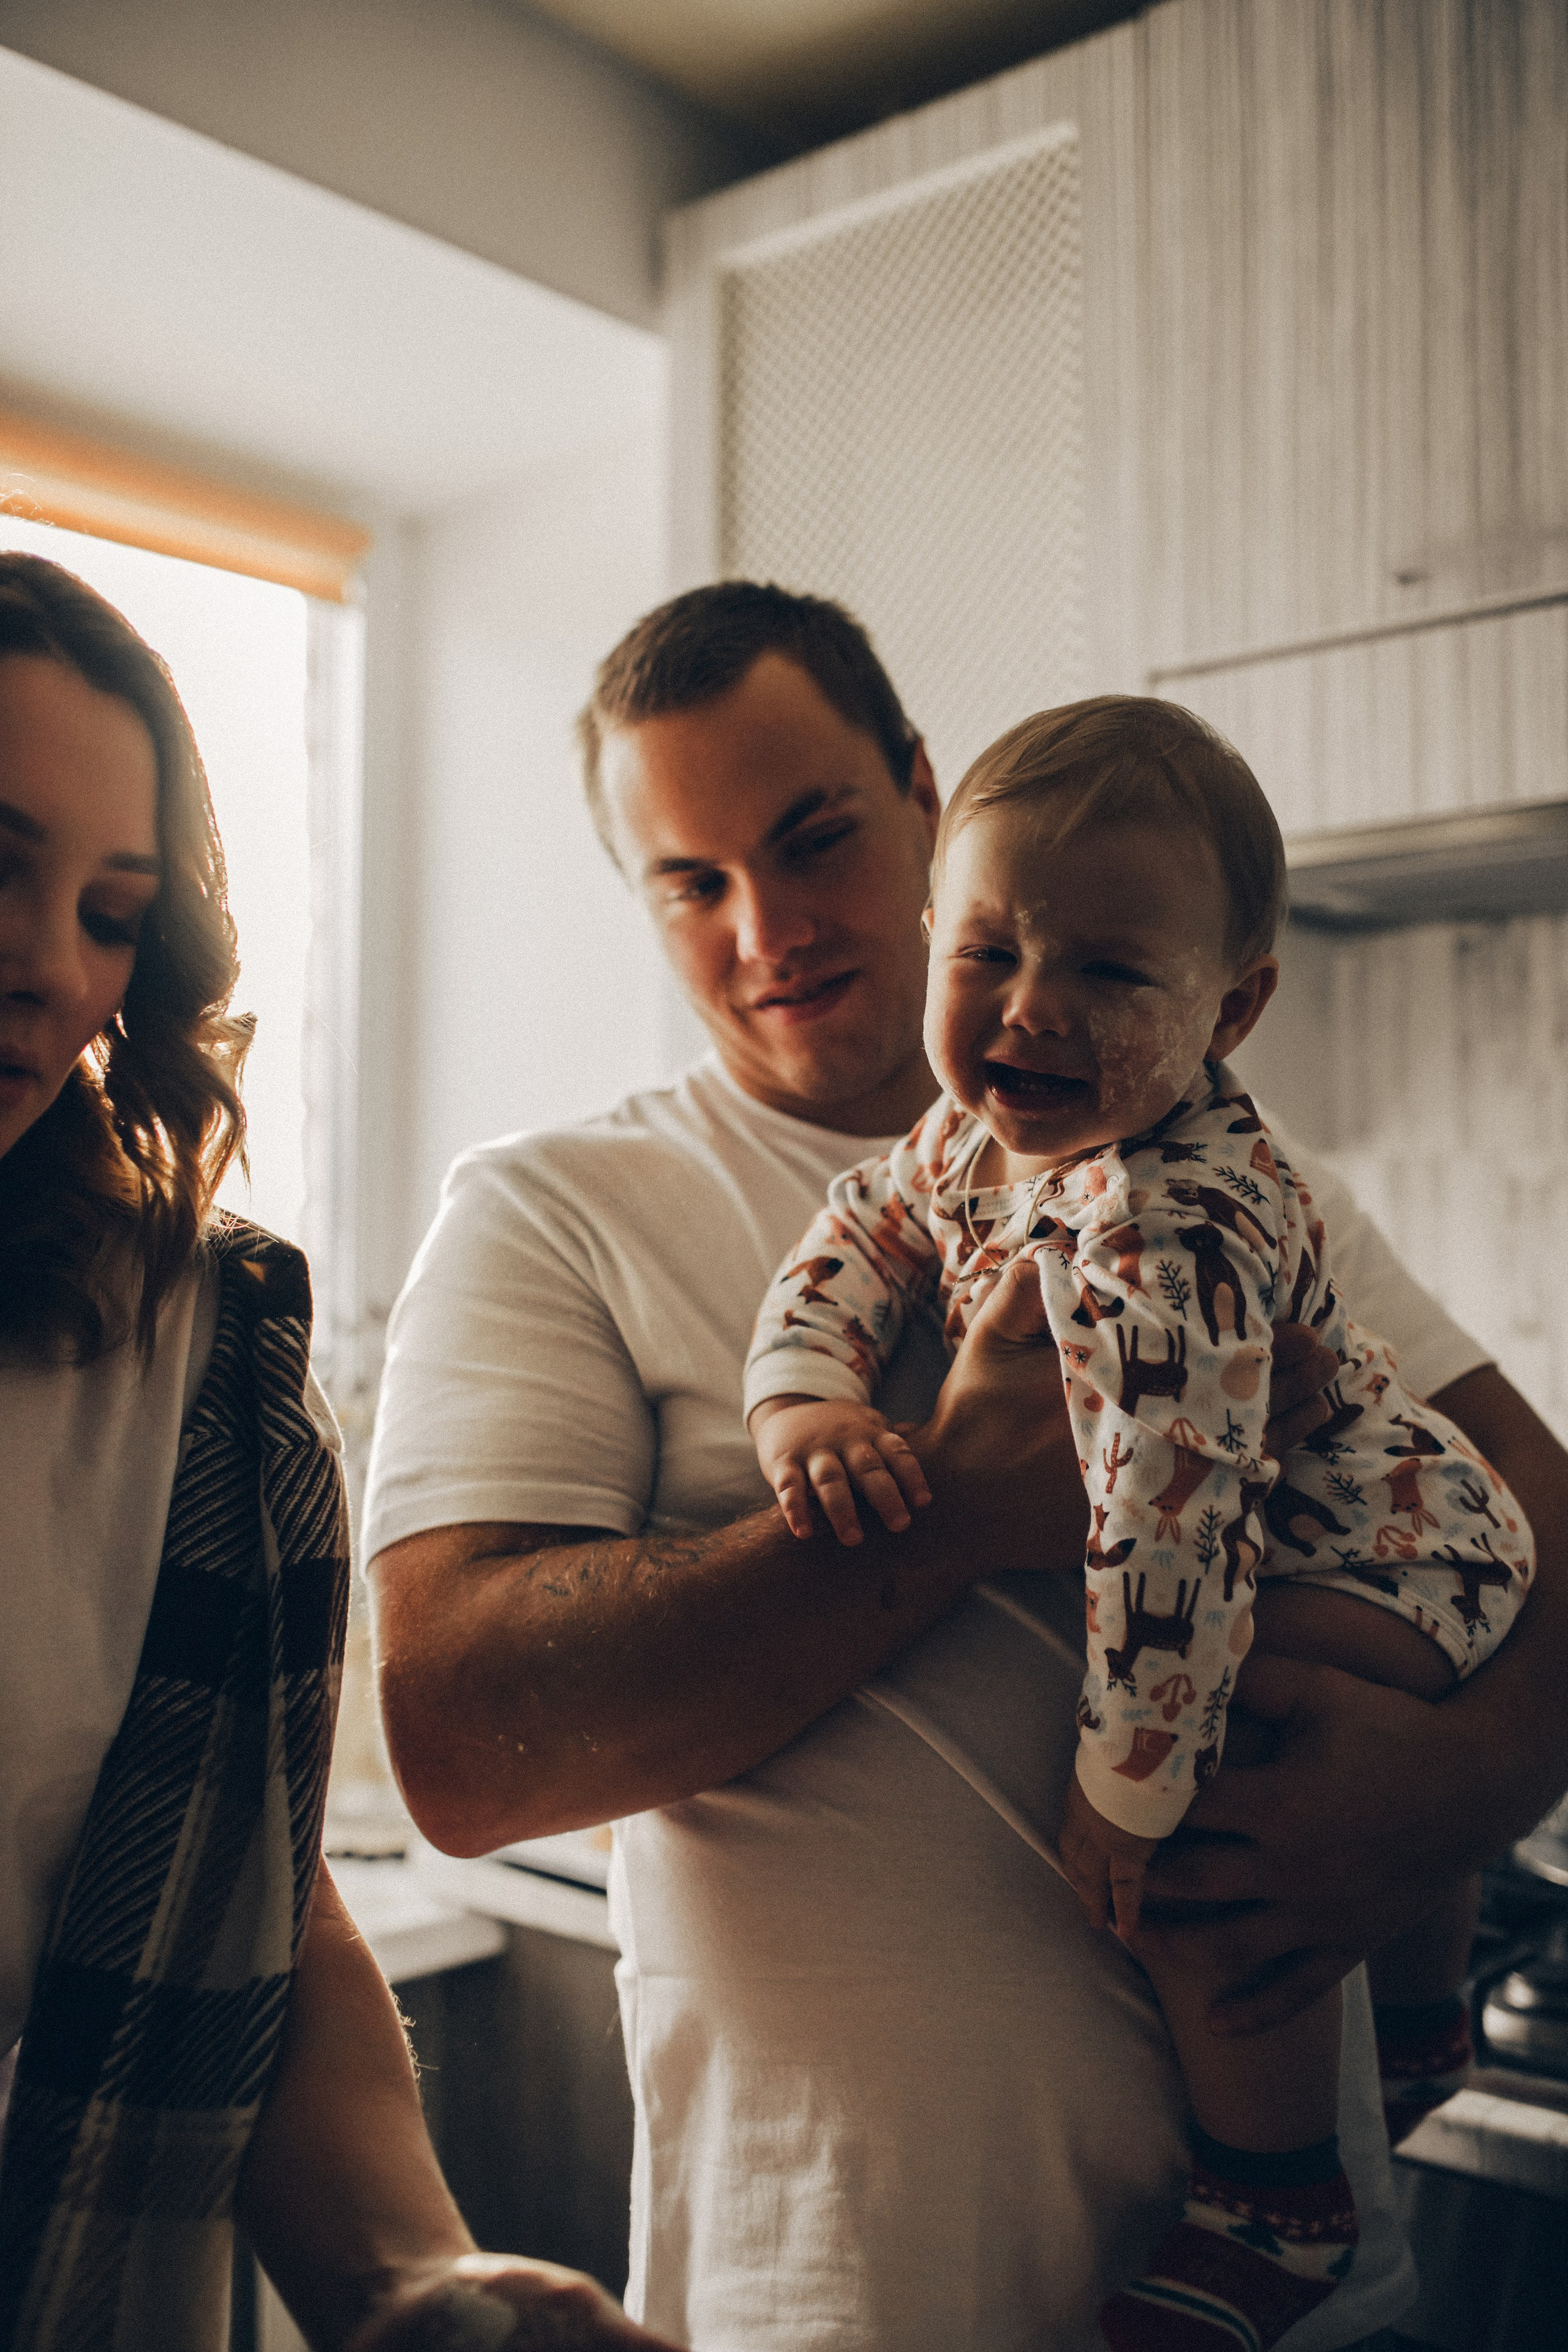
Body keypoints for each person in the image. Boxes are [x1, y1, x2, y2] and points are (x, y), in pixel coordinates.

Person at [366, 582, 1568, 2351]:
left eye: (812, 836)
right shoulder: (557, 1211)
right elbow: (458, 1745)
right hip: (837, 2294)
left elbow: (1541, 1533)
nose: (765, 925)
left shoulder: (1216, 1172)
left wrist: (1462, 1795)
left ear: (923, 794)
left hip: (1311, 2311)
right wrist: (960, 1505)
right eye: (689, 883)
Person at [744, 696, 1533, 2350]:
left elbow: (1170, 1545)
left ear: (1229, 1008)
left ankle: (1277, 2194)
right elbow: (859, 1229)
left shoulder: (1169, 1231)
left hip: (1394, 1542)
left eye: (1109, 973)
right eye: (989, 952)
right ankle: (1422, 2009)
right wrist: (804, 1398)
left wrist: (1126, 1791)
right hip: (1329, 1521)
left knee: (1220, 1815)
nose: (1030, 1010)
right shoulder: (977, 1132)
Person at [0, 553, 682, 2352]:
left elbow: (251, 1897)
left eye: (110, 910)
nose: (47, 968)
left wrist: (413, 2283)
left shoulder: (188, 1364)